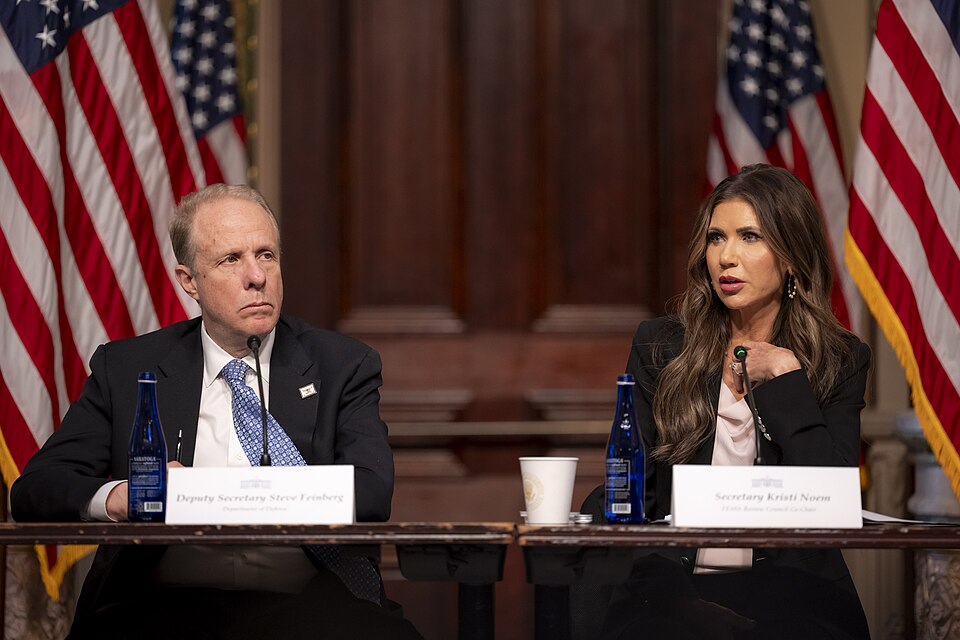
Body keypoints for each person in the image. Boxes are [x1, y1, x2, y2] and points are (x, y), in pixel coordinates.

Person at [11, 184, 421, 639]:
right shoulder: (128, 369)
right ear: (189, 281)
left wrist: (230, 493)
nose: (256, 276)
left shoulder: (343, 364)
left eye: (266, 255)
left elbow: (371, 490)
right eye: (231, 260)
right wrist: (121, 496)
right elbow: (35, 489)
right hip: (161, 603)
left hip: (307, 600)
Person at [583, 164, 871, 639]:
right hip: (671, 593)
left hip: (793, 598)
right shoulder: (662, 346)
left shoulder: (840, 359)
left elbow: (833, 501)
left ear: (793, 256)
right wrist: (682, 606)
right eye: (717, 238)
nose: (726, 257)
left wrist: (784, 378)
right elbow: (637, 499)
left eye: (750, 237)